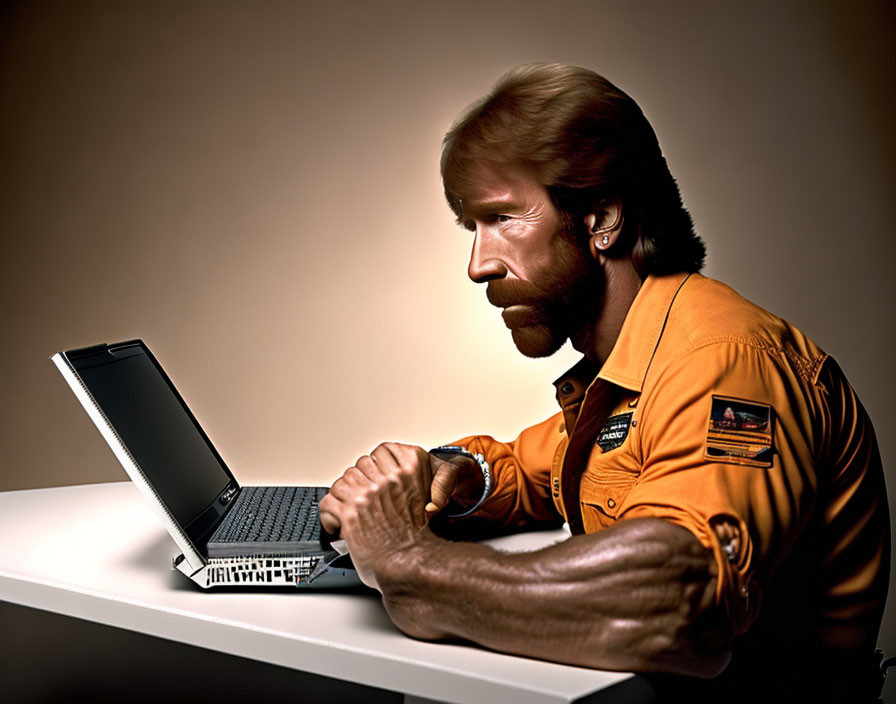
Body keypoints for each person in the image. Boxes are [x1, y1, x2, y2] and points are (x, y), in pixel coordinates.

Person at [318, 63, 890, 700]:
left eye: (504, 218)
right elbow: (530, 470)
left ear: (601, 219)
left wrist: (406, 560)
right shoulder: (624, 372)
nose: (477, 265)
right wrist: (450, 475)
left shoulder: (722, 359)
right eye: (471, 229)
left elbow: (675, 605)